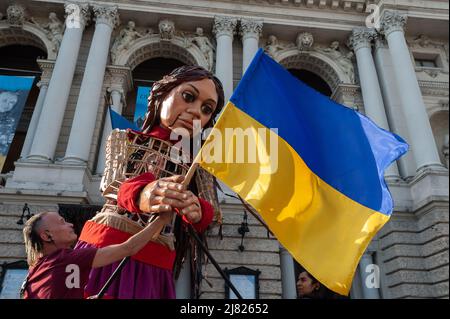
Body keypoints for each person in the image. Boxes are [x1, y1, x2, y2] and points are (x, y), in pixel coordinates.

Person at [76, 65, 225, 299]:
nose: (197, 112)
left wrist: (196, 210)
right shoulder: (125, 138)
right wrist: (142, 194)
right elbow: (111, 184)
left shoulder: (197, 162)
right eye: (188, 96)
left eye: (207, 109)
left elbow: (213, 212)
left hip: (157, 256)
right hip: (108, 245)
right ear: (162, 93)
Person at [21, 210, 173, 299]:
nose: (70, 225)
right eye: (62, 222)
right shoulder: (68, 259)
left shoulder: (34, 271)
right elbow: (129, 248)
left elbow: (65, 290)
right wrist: (162, 220)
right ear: (47, 236)